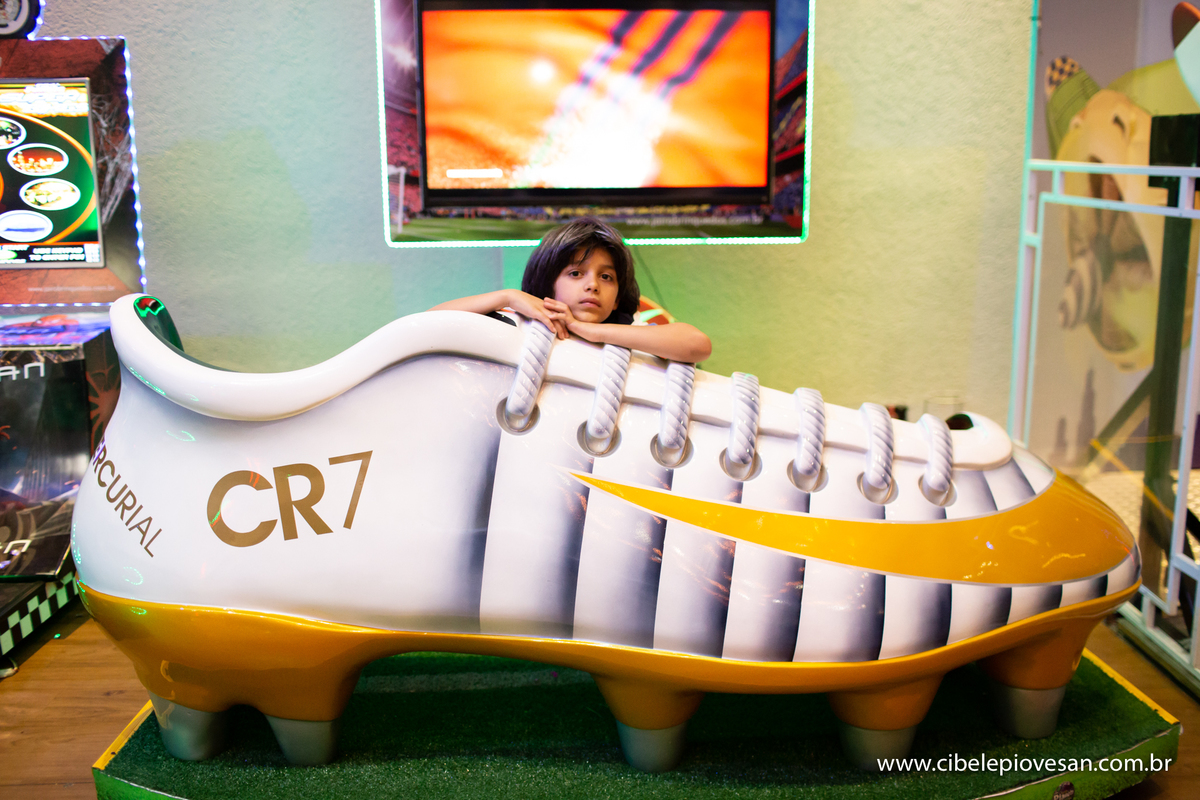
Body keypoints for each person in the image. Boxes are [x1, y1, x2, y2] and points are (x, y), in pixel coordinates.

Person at [429, 218, 712, 363]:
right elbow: (427, 324)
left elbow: (698, 344)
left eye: (607, 277)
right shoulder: (520, 323)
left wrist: (589, 330)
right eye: (576, 273)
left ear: (616, 300)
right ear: (548, 284)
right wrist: (507, 296)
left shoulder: (631, 334)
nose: (592, 285)